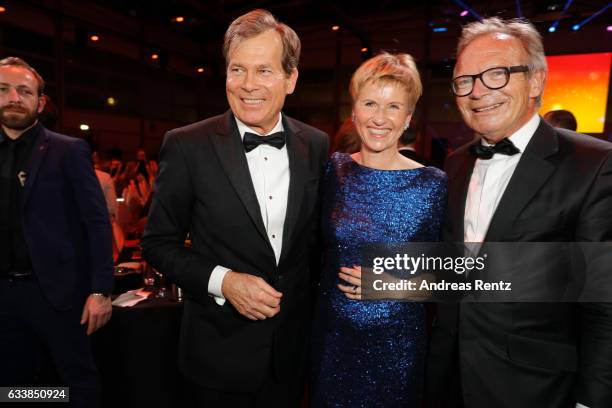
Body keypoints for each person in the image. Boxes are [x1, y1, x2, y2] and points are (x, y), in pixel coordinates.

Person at [141, 9, 329, 407]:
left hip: (291, 356)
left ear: (290, 79)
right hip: (216, 357)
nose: (247, 86)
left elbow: (317, 245)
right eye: (237, 70)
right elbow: (158, 244)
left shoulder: (316, 145)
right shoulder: (186, 145)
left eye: (264, 71)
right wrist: (223, 281)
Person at [426, 17, 612, 408]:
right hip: (448, 382)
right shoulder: (454, 165)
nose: (478, 92)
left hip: (536, 389)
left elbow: (603, 301)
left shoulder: (593, 164)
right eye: (465, 80)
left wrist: (591, 400)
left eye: (496, 74)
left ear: (537, 81)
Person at [310, 52, 447, 407]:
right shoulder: (334, 172)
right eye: (370, 103)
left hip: (397, 344)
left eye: (393, 107)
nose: (380, 118)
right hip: (333, 339)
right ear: (354, 112)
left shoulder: (433, 185)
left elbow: (453, 273)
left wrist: (392, 285)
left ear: (408, 118)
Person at [0, 57, 114, 407]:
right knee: (13, 385)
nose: (14, 98)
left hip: (58, 294)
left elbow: (96, 223)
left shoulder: (68, 150)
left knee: (76, 381)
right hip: (4, 295)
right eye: (4, 90)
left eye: (25, 91)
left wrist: (100, 290)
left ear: (40, 101)